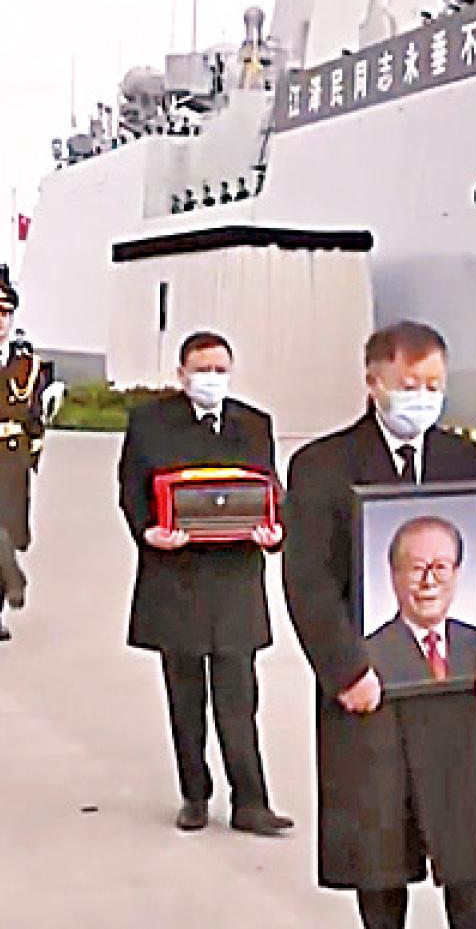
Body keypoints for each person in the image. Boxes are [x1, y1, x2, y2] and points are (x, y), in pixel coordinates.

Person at [283, 321, 476, 929]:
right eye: (409, 384)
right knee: (379, 858)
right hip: (370, 691)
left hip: (452, 688)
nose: (422, 397)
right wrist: (346, 671)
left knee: (468, 856)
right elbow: (308, 582)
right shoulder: (322, 467)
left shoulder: (466, 460)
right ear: (374, 382)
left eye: (434, 385)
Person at [117, 330, 293, 835]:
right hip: (176, 576)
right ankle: (195, 795)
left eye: (220, 370)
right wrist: (147, 531)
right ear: (182, 374)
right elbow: (131, 488)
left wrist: (274, 532)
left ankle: (251, 801)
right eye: (202, 370)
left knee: (239, 697)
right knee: (185, 694)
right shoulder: (150, 423)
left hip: (235, 577)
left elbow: (270, 491)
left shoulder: (253, 424)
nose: (212, 379)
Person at [367, 516, 476, 690]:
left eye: (441, 567)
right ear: (395, 576)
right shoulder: (370, 655)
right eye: (417, 568)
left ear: (456, 574)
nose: (429, 581)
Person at [0, 265, 52, 641]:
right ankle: (13, 577)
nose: (0, 320)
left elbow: (35, 417)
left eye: (5, 312)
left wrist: (32, 457)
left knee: (9, 529)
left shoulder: (27, 365)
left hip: (11, 457)